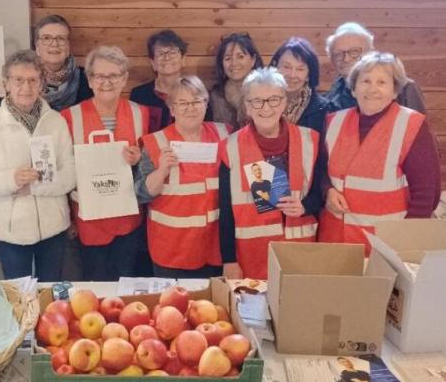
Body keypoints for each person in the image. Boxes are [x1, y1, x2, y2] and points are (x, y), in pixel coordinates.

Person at [0, 50, 76, 280]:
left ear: (41, 84)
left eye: (32, 80)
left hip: (54, 226)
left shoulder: (56, 122)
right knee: (19, 295)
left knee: (51, 295)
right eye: (18, 80)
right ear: (6, 84)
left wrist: (36, 187)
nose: (25, 87)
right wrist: (11, 179)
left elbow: (70, 174)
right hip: (11, 230)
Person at [319, 52, 440, 253]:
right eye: (365, 81)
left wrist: (404, 242)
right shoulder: (333, 121)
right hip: (336, 242)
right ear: (354, 88)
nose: (372, 89)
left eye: (382, 82)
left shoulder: (412, 125)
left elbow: (426, 195)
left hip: (385, 246)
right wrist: (327, 191)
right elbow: (321, 169)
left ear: (394, 91)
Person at [220, 67, 321, 280]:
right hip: (251, 256)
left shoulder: (310, 140)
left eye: (273, 99)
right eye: (257, 101)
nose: (266, 108)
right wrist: (229, 259)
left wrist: (305, 206)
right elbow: (226, 209)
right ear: (247, 106)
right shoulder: (230, 146)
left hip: (300, 254)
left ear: (284, 102)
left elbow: (321, 191)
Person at [61, 46, 149, 281]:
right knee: (94, 285)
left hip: (129, 219)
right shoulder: (69, 117)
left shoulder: (142, 114)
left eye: (114, 76)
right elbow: (65, 171)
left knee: (126, 284)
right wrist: (68, 217)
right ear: (89, 80)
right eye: (99, 76)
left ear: (124, 79)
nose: (106, 82)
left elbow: (150, 167)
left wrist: (139, 159)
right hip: (88, 220)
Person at [135, 75, 231, 278]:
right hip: (172, 251)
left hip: (214, 248)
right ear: (171, 109)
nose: (191, 108)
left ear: (206, 104)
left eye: (197, 101)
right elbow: (141, 194)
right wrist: (161, 170)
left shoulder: (224, 135)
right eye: (182, 103)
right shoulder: (156, 142)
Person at [324, 22, 426, 114]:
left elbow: (419, 129)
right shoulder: (329, 100)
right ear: (331, 59)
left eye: (354, 52)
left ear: (370, 52)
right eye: (338, 54)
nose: (346, 59)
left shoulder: (404, 88)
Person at [130, 30, 210, 131]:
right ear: (152, 62)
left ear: (183, 59)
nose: (167, 58)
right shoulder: (139, 95)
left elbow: (207, 130)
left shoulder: (198, 93)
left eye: (172, 52)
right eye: (160, 53)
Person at [33, 15, 93, 111]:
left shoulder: (86, 79)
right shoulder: (25, 78)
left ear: (68, 46)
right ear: (37, 47)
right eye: (47, 38)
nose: (54, 44)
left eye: (61, 38)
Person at [270, 37, 329, 133]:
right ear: (275, 66)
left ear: (308, 75)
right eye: (286, 67)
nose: (292, 75)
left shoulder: (323, 110)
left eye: (300, 69)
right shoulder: (260, 100)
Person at [210, 32, 264, 130]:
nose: (234, 63)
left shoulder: (267, 91)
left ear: (253, 60)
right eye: (228, 58)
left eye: (240, 57)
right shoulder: (216, 96)